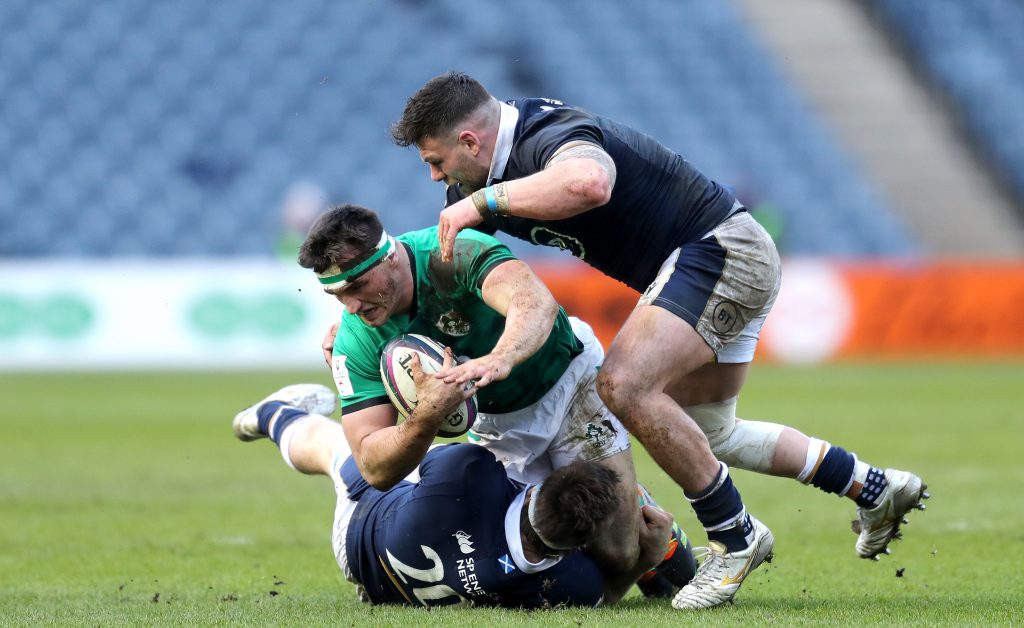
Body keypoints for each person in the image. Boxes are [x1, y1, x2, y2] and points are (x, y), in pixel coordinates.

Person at [387, 71, 929, 609]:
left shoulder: (546, 133)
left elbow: (589, 182)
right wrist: (376, 313)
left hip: (718, 248)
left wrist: (483, 204)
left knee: (622, 385)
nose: (436, 179)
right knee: (709, 434)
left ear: (469, 141)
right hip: (714, 259)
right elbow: (444, 270)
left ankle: (735, 539)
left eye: (436, 162)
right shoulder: (476, 182)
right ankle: (874, 488)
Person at [298, 203, 692, 596]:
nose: (350, 306)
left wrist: (501, 358)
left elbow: (534, 303)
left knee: (619, 552)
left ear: (387, 257)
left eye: (355, 287)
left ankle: (640, 511)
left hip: (569, 386)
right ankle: (624, 512)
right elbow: (372, 466)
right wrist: (424, 417)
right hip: (496, 425)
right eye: (336, 294)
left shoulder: (453, 253)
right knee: (553, 535)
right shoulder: (354, 337)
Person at [231, 383, 678, 607]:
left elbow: (419, 441)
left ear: (539, 487)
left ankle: (270, 414)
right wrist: (646, 558)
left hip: (362, 530)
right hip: (381, 583)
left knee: (341, 451)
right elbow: (609, 594)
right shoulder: (569, 583)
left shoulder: (467, 479)